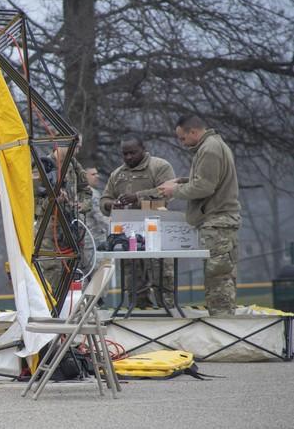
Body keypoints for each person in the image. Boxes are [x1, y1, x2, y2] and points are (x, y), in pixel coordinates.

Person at [159, 116, 240, 316]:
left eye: (182, 138)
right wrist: (184, 181)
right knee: (218, 276)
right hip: (219, 222)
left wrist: (175, 191)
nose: (182, 143)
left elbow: (205, 186)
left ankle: (223, 326)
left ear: (193, 132)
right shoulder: (214, 145)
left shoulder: (210, 149)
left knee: (218, 279)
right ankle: (223, 321)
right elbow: (211, 178)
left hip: (218, 222)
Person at [100, 136, 176, 307]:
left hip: (157, 230)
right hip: (130, 234)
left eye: (132, 153)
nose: (128, 157)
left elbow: (168, 192)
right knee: (133, 277)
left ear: (143, 148)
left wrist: (137, 197)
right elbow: (105, 198)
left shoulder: (159, 167)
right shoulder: (118, 174)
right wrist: (111, 204)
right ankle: (140, 310)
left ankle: (169, 311)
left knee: (162, 274)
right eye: (124, 154)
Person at [33, 144, 92, 297]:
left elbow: (86, 191)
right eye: (75, 146)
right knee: (51, 270)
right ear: (60, 144)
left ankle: (69, 309)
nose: (77, 151)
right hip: (48, 231)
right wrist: (53, 200)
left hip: (70, 228)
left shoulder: (73, 165)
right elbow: (34, 204)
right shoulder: (42, 166)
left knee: (74, 271)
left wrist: (82, 205)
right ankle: (52, 307)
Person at [83, 166, 109, 270]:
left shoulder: (81, 192)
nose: (97, 176)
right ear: (84, 177)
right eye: (93, 174)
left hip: (86, 240)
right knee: (98, 272)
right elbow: (99, 217)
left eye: (97, 173)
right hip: (94, 241)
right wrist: (115, 228)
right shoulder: (92, 193)